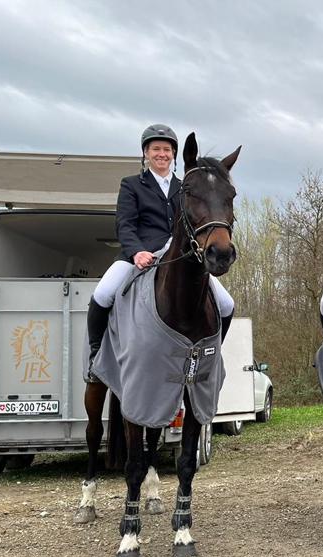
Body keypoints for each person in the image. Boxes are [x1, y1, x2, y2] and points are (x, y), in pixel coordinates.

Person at [85, 124, 235, 380]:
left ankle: (210, 356)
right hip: (140, 255)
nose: (161, 154)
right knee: (103, 293)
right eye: (156, 148)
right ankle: (96, 357)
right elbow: (125, 224)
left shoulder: (187, 185)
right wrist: (136, 252)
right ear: (146, 153)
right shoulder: (132, 185)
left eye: (167, 149)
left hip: (179, 256)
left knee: (226, 304)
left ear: (174, 155)